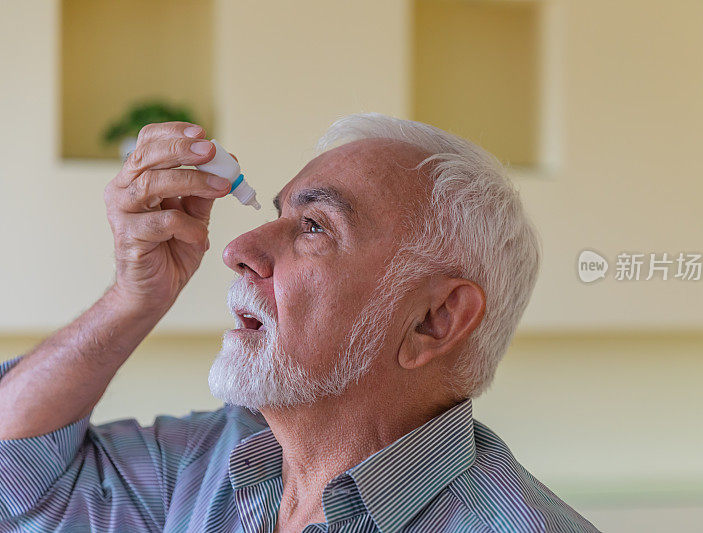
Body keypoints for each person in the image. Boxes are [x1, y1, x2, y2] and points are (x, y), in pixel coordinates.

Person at [0, 114, 599, 532]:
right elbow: (17, 482)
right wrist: (135, 295)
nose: (237, 248)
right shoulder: (212, 462)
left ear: (434, 320)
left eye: (315, 227)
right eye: (281, 212)